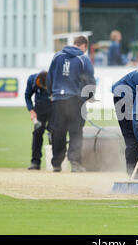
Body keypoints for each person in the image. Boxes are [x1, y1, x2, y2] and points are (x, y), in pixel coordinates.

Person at [46, 36, 96, 173]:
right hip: (75, 99)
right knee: (75, 131)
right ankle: (74, 162)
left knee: (58, 131)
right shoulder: (84, 59)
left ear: (74, 44)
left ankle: (56, 163)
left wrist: (51, 92)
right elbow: (90, 80)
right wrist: (89, 97)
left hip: (57, 99)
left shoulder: (57, 56)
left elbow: (50, 76)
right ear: (84, 46)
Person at [25, 71, 52, 170]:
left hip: (54, 108)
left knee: (55, 133)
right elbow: (27, 96)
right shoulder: (31, 79)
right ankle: (35, 162)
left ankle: (56, 163)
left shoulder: (55, 79)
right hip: (39, 108)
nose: (45, 89)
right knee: (37, 133)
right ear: (38, 81)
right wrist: (31, 111)